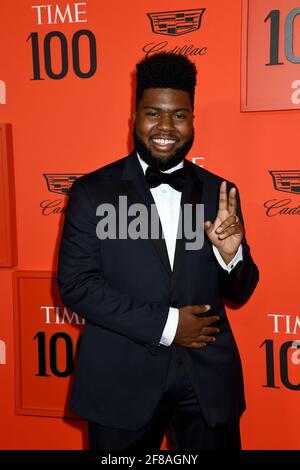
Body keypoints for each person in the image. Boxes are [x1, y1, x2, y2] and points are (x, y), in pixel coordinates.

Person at [57, 52, 259, 450]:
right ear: (134, 117)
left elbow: (240, 291)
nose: (165, 127)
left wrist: (230, 256)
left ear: (192, 120)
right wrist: (169, 326)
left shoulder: (220, 192)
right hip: (121, 380)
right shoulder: (92, 192)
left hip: (205, 384)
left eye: (179, 115)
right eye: (153, 113)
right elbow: (77, 285)